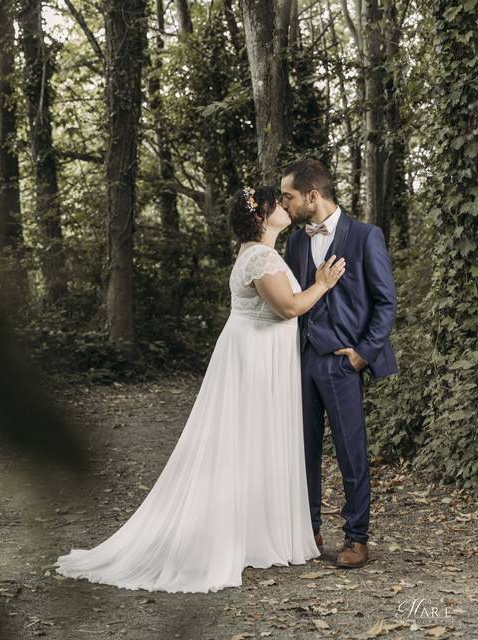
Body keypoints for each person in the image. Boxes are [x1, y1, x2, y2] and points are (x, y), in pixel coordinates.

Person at [55, 186, 346, 593]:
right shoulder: (260, 256)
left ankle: (258, 535)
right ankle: (234, 536)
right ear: (262, 218)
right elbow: (290, 308)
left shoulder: (259, 253)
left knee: (255, 443)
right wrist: (323, 283)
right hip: (255, 357)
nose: (284, 207)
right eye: (275, 205)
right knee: (246, 442)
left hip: (259, 351)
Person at [280, 158, 398, 569]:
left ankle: (356, 537)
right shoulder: (294, 243)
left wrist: (364, 353)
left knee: (351, 451)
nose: (285, 204)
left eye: (289, 196)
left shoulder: (366, 236)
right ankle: (308, 530)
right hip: (303, 360)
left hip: (342, 362)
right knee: (304, 450)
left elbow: (385, 302)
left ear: (312, 195)